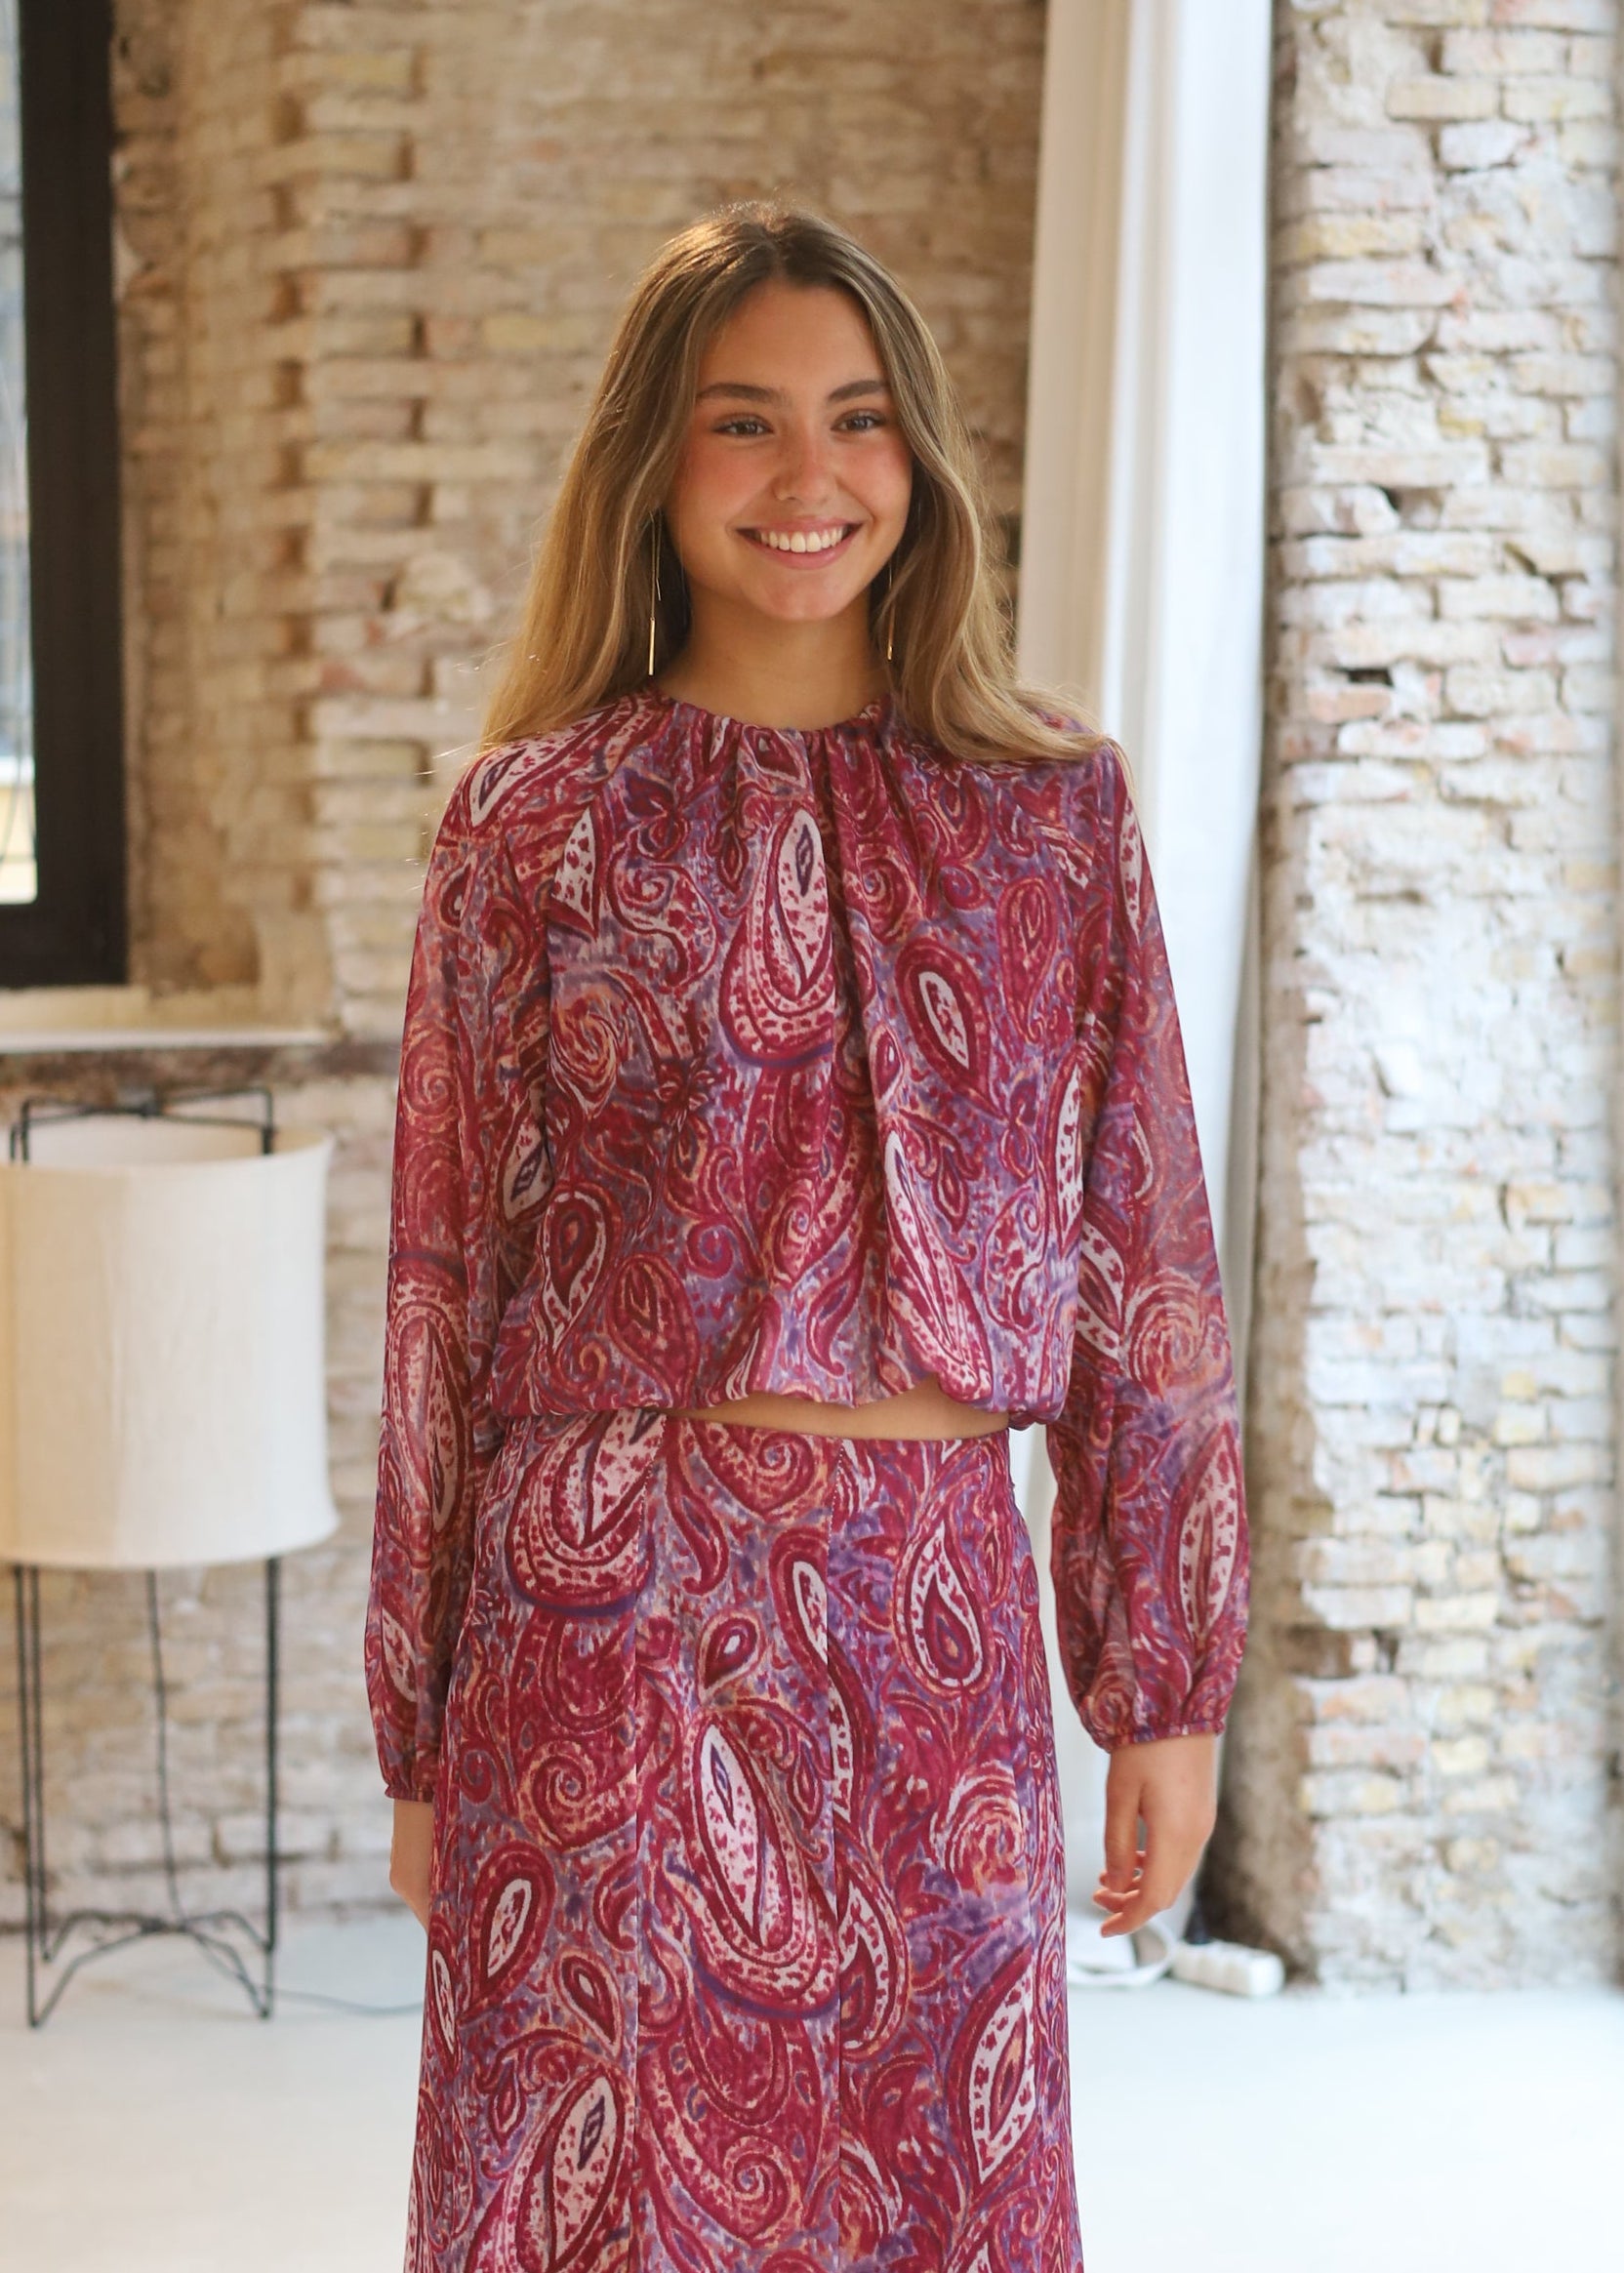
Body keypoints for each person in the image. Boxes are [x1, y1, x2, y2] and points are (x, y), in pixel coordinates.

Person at [366, 201, 1248, 2273]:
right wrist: (419, 1728)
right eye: (742, 420)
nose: (808, 475)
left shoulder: (1050, 814)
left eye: (855, 419)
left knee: (941, 2194)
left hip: (934, 1620)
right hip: (610, 1615)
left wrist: (1165, 1681)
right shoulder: (532, 824)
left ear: (915, 456)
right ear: (655, 463)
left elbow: (1143, 1267)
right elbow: (439, 1298)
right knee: (609, 2211)